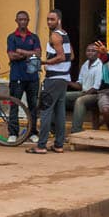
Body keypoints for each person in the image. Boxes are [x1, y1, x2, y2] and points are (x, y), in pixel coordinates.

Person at [29, 9, 72, 154]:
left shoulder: (55, 36)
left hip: (53, 78)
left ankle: (41, 146)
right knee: (60, 112)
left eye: (52, 19)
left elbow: (61, 57)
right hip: (64, 78)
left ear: (59, 20)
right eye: (48, 19)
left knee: (46, 111)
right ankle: (58, 145)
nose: (49, 22)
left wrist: (44, 62)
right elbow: (71, 55)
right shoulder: (65, 34)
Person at [5, 11, 41, 144]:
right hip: (17, 76)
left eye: (25, 19)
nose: (23, 22)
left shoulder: (34, 37)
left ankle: (32, 132)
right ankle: (13, 133)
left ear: (28, 20)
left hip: (32, 77)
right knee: (14, 104)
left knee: (33, 106)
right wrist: (29, 54)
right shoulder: (11, 37)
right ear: (16, 21)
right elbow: (11, 56)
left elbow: (38, 54)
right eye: (20, 19)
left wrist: (21, 52)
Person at [69, 44, 105, 134]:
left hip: (96, 95)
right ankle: (54, 128)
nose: (90, 53)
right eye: (88, 50)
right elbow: (80, 84)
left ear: (98, 53)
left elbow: (96, 87)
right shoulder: (85, 65)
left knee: (80, 100)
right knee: (61, 96)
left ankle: (76, 130)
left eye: (93, 51)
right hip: (84, 92)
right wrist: (67, 82)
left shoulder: (100, 66)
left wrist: (83, 94)